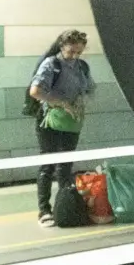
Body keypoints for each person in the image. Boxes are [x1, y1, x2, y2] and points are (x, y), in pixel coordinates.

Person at [29, 29, 94, 226]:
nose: (74, 56)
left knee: (65, 166)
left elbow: (88, 88)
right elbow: (36, 91)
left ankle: (64, 207)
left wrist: (79, 101)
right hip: (50, 121)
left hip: (71, 121)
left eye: (78, 53)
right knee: (48, 165)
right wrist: (62, 102)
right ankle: (44, 209)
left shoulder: (81, 66)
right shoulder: (51, 65)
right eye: (70, 52)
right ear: (61, 47)